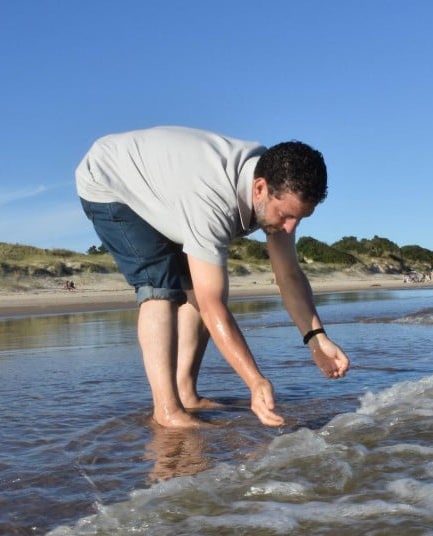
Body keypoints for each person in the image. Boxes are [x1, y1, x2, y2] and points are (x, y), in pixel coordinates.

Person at [76, 126, 350, 428]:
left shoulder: (278, 183)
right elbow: (212, 306)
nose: (289, 227)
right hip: (109, 179)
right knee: (160, 286)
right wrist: (255, 381)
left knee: (196, 284)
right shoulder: (212, 200)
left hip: (170, 186)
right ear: (259, 188)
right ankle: (166, 410)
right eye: (286, 215)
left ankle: (186, 394)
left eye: (299, 218)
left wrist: (316, 338)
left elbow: (288, 274)